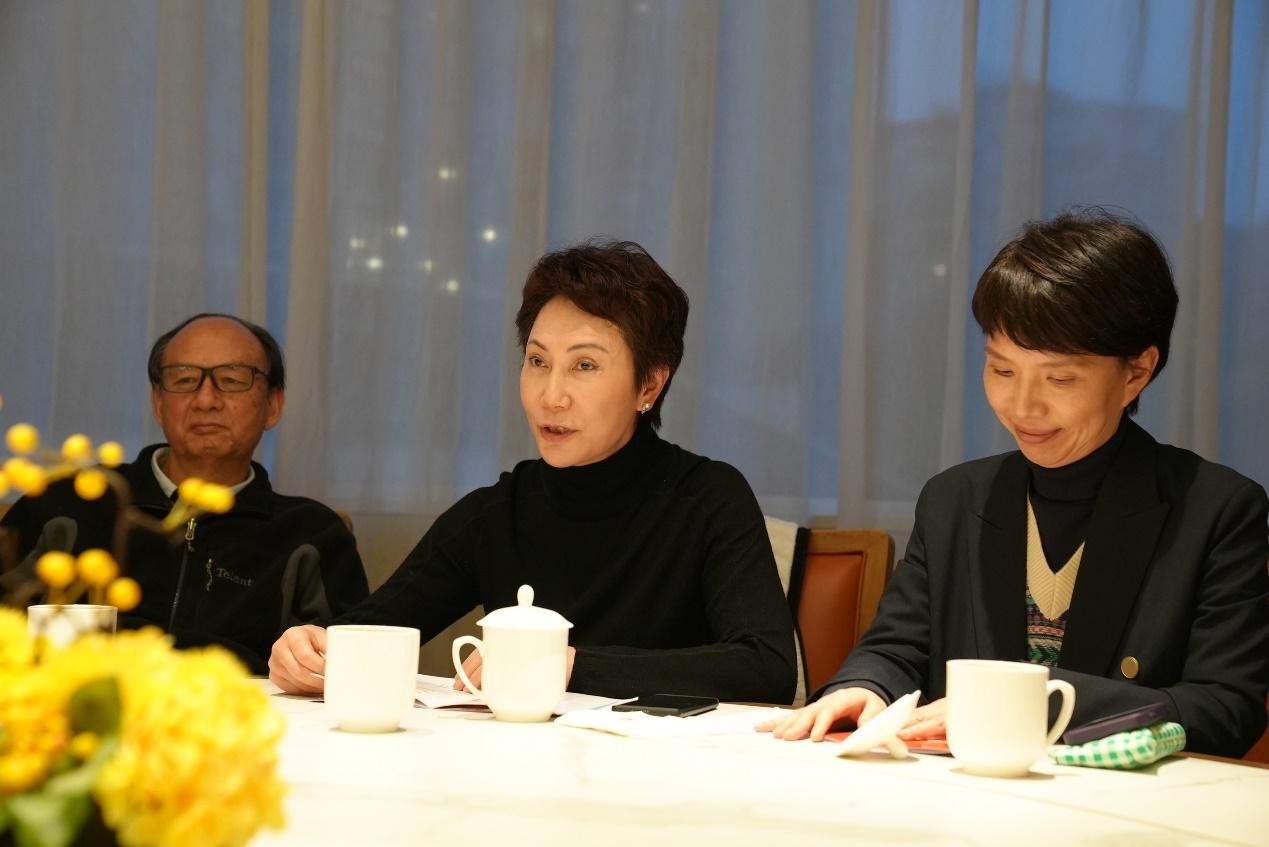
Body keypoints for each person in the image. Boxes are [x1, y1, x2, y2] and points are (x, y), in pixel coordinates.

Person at [762, 209, 1269, 758]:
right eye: (1002, 370)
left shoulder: (1214, 509)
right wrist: (866, 685)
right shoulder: (955, 500)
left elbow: (1225, 708)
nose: (1022, 406)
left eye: (1060, 378)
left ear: (1137, 371)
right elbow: (898, 647)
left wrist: (1033, 702)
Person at [268, 240, 798, 703]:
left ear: (650, 385)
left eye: (584, 366)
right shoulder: (498, 513)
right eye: (538, 361)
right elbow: (374, 631)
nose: (551, 396)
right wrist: (310, 649)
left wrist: (569, 667)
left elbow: (765, 667)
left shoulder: (707, 497)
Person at [1, 314, 370, 674]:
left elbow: (352, 669)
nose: (206, 399)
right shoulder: (71, 498)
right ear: (158, 403)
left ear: (273, 405)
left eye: (231, 380)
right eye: (185, 380)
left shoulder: (312, 534)